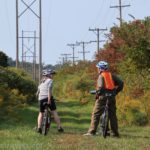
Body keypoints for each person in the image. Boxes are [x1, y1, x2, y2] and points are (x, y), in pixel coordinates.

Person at [84, 61, 124, 137]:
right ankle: (115, 133)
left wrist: (97, 94)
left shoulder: (101, 76)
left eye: (98, 68)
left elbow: (101, 87)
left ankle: (91, 132)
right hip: (112, 97)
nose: (97, 69)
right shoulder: (111, 75)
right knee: (112, 115)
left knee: (96, 114)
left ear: (100, 68)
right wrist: (116, 91)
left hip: (102, 97)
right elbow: (121, 83)